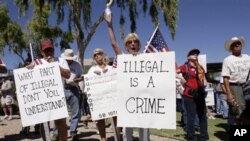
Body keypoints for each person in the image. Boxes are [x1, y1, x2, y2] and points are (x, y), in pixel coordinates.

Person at [104, 11, 149, 141]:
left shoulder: (146, 58)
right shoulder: (122, 58)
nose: (133, 43)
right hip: (127, 99)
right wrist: (109, 24)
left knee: (144, 129)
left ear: (139, 44)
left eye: (135, 41)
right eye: (130, 42)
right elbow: (113, 43)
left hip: (143, 98)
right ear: (126, 45)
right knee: (127, 129)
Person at [27, 39, 70, 141]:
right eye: (46, 50)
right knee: (44, 123)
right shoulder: (37, 62)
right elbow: (27, 77)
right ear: (42, 52)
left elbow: (67, 75)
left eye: (50, 50)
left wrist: (55, 65)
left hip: (57, 95)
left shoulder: (60, 60)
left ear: (53, 50)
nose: (49, 53)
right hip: (42, 98)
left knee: (61, 122)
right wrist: (29, 68)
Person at [176, 49, 209, 141]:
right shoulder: (185, 67)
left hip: (200, 93)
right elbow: (173, 72)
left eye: (197, 54)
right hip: (189, 95)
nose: (196, 55)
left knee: (202, 116)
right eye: (193, 54)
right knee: (191, 116)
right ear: (188, 56)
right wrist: (181, 77)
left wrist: (205, 83)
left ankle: (204, 136)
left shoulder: (200, 67)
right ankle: (191, 137)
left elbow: (204, 78)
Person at [86, 48, 116, 141]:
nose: (97, 56)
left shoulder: (111, 68)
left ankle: (117, 136)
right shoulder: (92, 69)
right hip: (100, 98)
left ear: (103, 55)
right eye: (95, 55)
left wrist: (109, 73)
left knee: (115, 117)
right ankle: (103, 138)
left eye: (98, 53)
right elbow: (88, 84)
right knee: (100, 119)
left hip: (111, 97)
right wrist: (94, 76)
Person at [221, 36, 250, 125]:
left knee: (248, 113)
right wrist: (229, 93)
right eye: (234, 44)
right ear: (231, 48)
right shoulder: (228, 60)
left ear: (241, 45)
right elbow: (225, 77)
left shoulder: (247, 57)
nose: (237, 45)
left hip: (248, 85)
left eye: (238, 43)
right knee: (238, 113)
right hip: (235, 87)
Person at [60, 48, 83, 140]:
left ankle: (73, 131)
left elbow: (80, 76)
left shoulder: (77, 65)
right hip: (62, 89)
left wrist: (77, 80)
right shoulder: (60, 63)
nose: (69, 60)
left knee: (75, 112)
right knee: (60, 113)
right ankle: (57, 132)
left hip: (74, 89)